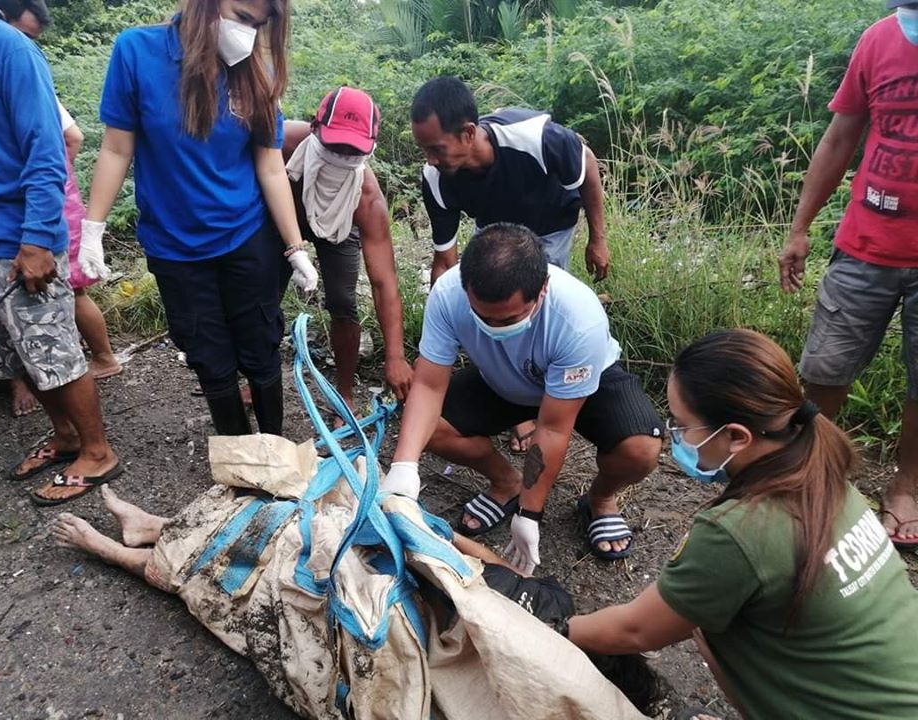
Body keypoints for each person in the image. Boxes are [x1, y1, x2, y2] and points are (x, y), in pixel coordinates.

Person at [50, 485, 663, 717]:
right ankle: (156, 524)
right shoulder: (550, 604)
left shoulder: (510, 694)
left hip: (364, 609)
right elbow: (467, 555)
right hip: (390, 566)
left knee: (249, 587)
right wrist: (418, 525)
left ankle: (127, 553)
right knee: (291, 519)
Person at [566, 329, 918, 719]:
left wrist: (558, 627)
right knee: (707, 618)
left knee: (703, 619)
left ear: (736, 436)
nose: (675, 438)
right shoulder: (823, 470)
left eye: (682, 426)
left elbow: (634, 631)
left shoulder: (741, 530)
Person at [81, 0, 317, 437]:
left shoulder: (253, 72)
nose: (247, 34)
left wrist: (295, 247)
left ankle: (273, 447)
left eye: (258, 26)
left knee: (260, 346)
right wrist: (92, 228)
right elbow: (116, 148)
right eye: (243, 18)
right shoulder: (136, 53)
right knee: (209, 356)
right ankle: (239, 455)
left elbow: (269, 166)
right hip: (175, 246)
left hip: (247, 237)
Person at [381, 223, 663, 573]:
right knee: (432, 428)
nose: (494, 328)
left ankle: (600, 499)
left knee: (640, 448)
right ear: (466, 287)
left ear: (542, 290)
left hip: (581, 384)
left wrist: (530, 513)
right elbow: (429, 385)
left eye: (509, 319)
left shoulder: (578, 319)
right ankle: (506, 482)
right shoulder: (448, 294)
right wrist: (404, 466)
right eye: (482, 316)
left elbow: (553, 428)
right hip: (500, 379)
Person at [0, 0, 121, 505]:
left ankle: (97, 452)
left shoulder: (7, 48)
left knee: (56, 354)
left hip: (18, 239)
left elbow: (47, 148)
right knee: (18, 357)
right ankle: (66, 436)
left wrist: (36, 238)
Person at [778, 1, 918, 550]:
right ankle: (810, 472)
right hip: (866, 245)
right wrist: (799, 227)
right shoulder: (879, 40)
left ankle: (907, 486)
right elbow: (840, 139)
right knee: (826, 367)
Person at [411, 76, 609, 453]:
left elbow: (588, 168)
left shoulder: (538, 139)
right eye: (424, 150)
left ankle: (551, 404)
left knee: (533, 314)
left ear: (469, 133)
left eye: (436, 148)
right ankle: (518, 409)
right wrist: (444, 304)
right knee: (491, 307)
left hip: (551, 231)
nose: (430, 160)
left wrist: (597, 238)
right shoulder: (437, 177)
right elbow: (445, 256)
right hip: (495, 236)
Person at [0, 0, 123, 381]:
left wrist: (56, 179)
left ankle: (102, 357)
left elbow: (73, 137)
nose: (26, 44)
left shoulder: (18, 71)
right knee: (69, 292)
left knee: (69, 293)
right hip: (53, 194)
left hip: (46, 199)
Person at [277, 87, 414, 414]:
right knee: (263, 293)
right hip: (284, 219)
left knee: (342, 301)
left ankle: (345, 393)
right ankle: (257, 379)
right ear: (314, 126)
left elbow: (384, 282)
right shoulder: (282, 144)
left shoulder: (366, 198)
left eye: (352, 151)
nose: (341, 156)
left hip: (340, 226)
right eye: (334, 145)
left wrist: (394, 356)